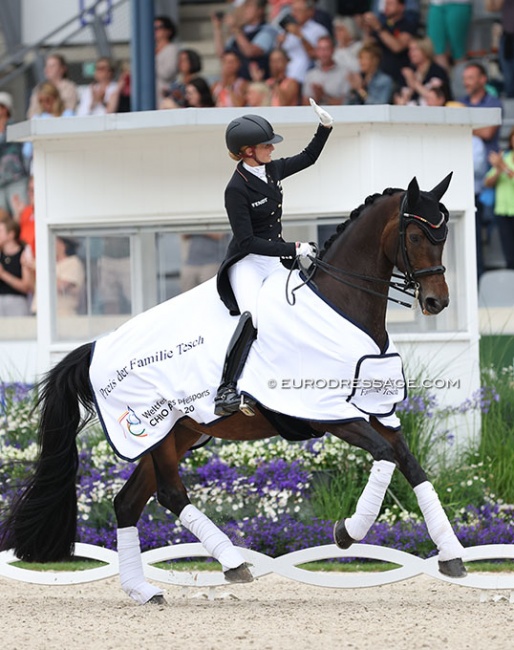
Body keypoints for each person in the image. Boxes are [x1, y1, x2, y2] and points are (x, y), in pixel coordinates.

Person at [214, 100, 334, 416]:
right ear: (247, 151)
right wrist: (293, 249)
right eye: (266, 144)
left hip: (273, 258)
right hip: (248, 262)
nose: (272, 148)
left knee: (300, 303)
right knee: (253, 317)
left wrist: (325, 128)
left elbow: (308, 158)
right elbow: (247, 241)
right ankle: (226, 390)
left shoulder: (272, 169)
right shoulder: (236, 188)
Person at [213, 0, 278, 81]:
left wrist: (235, 28)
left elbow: (250, 52)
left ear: (260, 10)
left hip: (256, 82)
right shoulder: (241, 31)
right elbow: (222, 54)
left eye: (249, 6)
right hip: (236, 82)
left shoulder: (268, 30)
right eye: (245, 6)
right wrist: (217, 29)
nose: (245, 10)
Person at [361, 0, 418, 90]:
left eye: (390, 4)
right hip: (379, 78)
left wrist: (378, 28)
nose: (386, 7)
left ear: (401, 7)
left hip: (398, 79)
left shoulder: (407, 25)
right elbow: (368, 46)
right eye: (386, 4)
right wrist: (367, 29)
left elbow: (397, 47)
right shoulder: (382, 25)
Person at [483, 127, 514, 269]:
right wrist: (498, 170)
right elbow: (487, 182)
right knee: (508, 254)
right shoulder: (505, 157)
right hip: (503, 210)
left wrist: (503, 166)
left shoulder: (502, 161)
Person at [278, 0, 330, 84]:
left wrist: (300, 36)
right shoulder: (286, 29)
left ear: (310, 12)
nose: (294, 14)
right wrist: (280, 43)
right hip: (285, 74)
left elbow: (316, 55)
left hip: (305, 75)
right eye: (293, 10)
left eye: (298, 11)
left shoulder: (319, 30)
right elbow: (279, 53)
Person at [394, 36, 450, 105]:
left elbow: (436, 99)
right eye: (410, 50)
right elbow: (399, 98)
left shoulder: (437, 72)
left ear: (425, 50)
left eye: (414, 50)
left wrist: (414, 83)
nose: (410, 53)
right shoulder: (409, 72)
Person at [0, 214, 35, 316]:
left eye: (1, 231)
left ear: (11, 234)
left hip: (17, 302)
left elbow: (26, 286)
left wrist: (3, 275)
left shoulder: (23, 253)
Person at [0, 92, 28, 216]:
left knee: (20, 214)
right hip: (0, 182)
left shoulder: (15, 127)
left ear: (5, 108)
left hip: (17, 179)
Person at [26, 53, 79, 118]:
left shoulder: (70, 87)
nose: (48, 69)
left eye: (52, 66)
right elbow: (32, 112)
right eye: (46, 66)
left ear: (62, 69)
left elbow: (69, 109)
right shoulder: (38, 89)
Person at [302, 35, 348, 105]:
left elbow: (346, 103)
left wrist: (323, 96)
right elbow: (305, 105)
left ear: (333, 50)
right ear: (316, 52)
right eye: (320, 49)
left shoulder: (344, 73)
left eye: (326, 49)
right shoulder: (310, 75)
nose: (323, 53)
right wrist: (317, 97)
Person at [426, 0, 472, 71]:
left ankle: (461, 80)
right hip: (436, 4)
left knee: (458, 50)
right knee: (436, 49)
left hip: (458, 4)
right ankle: (444, 79)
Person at [55, 236, 85, 316]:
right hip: (42, 313)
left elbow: (62, 287)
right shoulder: (51, 264)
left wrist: (41, 269)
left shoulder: (73, 262)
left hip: (63, 314)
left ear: (63, 245)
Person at [154, 15, 179, 106]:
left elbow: (167, 73)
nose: (155, 30)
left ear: (168, 31)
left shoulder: (172, 49)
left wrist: (153, 62)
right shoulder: (151, 49)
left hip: (163, 96)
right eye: (154, 28)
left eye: (159, 27)